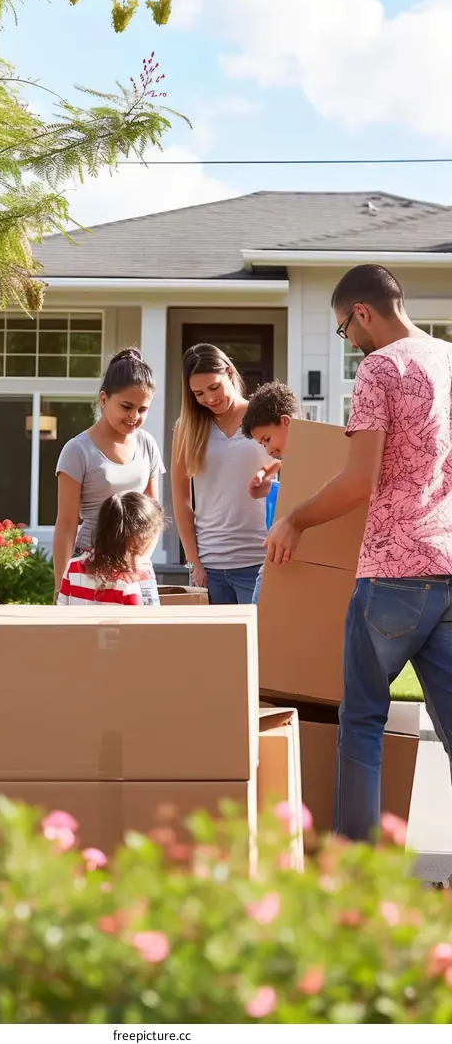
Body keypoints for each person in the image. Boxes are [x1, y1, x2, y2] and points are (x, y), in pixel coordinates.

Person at [264, 263, 452, 843]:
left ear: (363, 313)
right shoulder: (447, 357)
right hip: (447, 564)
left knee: (363, 721)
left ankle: (356, 872)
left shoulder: (380, 367)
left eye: (345, 328)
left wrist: (293, 518)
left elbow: (358, 480)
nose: (349, 341)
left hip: (393, 576)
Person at [53, 348, 164, 594]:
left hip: (137, 566)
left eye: (143, 409)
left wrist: (140, 559)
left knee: (140, 633)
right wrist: (60, 586)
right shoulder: (77, 450)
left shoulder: (147, 444)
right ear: (103, 399)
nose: (134, 416)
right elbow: (66, 524)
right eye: (126, 406)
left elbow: (154, 516)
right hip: (90, 563)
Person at [171, 343, 267, 604]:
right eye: (198, 393)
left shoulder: (263, 416)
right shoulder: (186, 428)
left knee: (261, 644)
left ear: (229, 374)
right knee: (215, 646)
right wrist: (194, 563)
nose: (209, 399)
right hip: (209, 568)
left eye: (214, 387)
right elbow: (181, 499)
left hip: (259, 563)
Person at [241, 381, 300, 604]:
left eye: (266, 440)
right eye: (262, 445)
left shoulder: (315, 456)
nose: (268, 450)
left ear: (286, 421)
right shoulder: (288, 463)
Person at [57, 491, 164, 606]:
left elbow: (61, 611)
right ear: (140, 539)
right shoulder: (130, 587)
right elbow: (148, 622)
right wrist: (146, 582)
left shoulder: (72, 569)